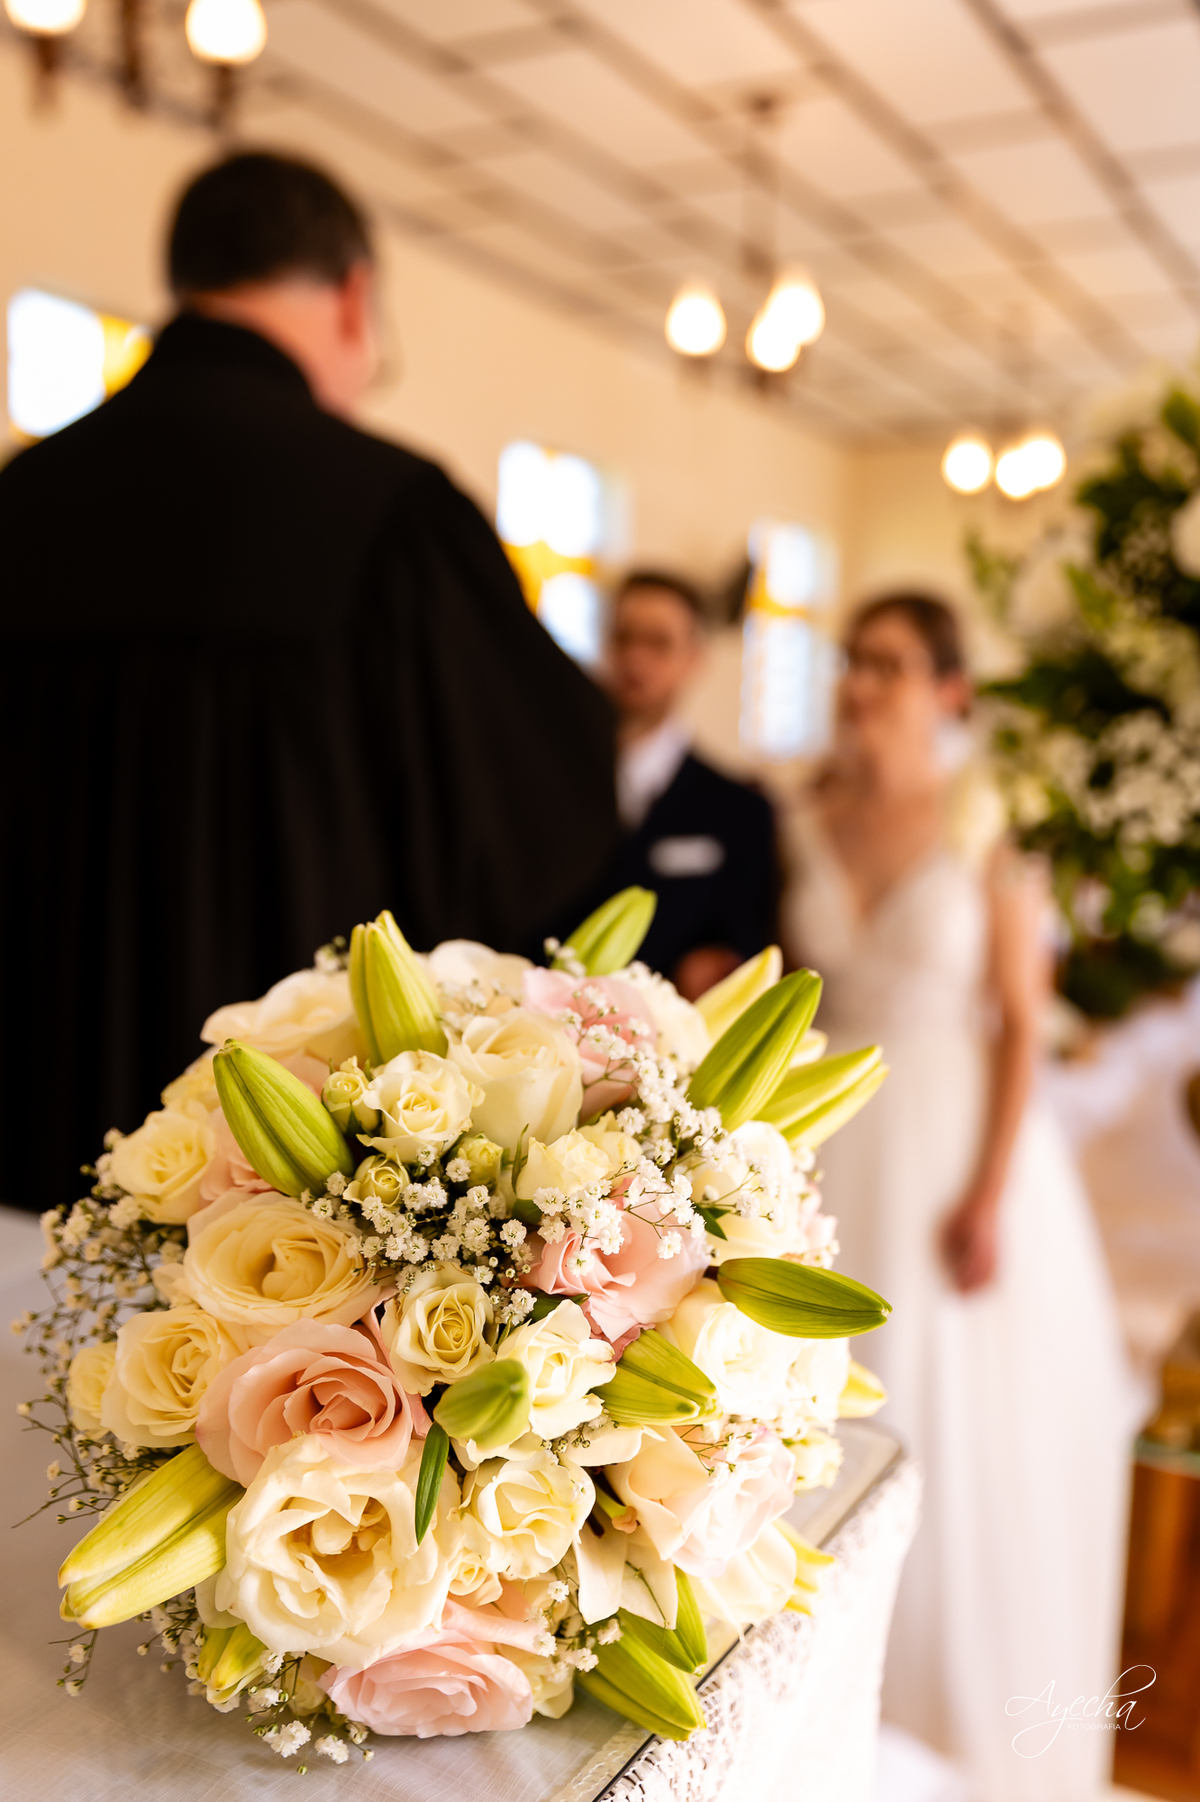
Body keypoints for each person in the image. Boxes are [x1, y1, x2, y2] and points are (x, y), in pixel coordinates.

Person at [0, 150, 617, 1213]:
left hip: (17, 1147)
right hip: (283, 1215)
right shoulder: (392, 514)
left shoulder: (21, 503)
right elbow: (533, 808)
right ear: (354, 296)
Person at [783, 593, 1133, 1802]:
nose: (863, 681)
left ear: (948, 690)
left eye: (890, 662)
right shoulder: (804, 816)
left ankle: (958, 1736)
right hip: (828, 1135)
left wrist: (989, 1190)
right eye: (855, 659)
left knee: (943, 1421)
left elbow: (1023, 1023)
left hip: (949, 1151)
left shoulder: (986, 826)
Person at [598, 569, 776, 997]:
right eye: (624, 638)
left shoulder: (740, 811)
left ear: (695, 658)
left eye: (658, 643)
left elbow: (744, 951)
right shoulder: (549, 791)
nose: (636, 661)